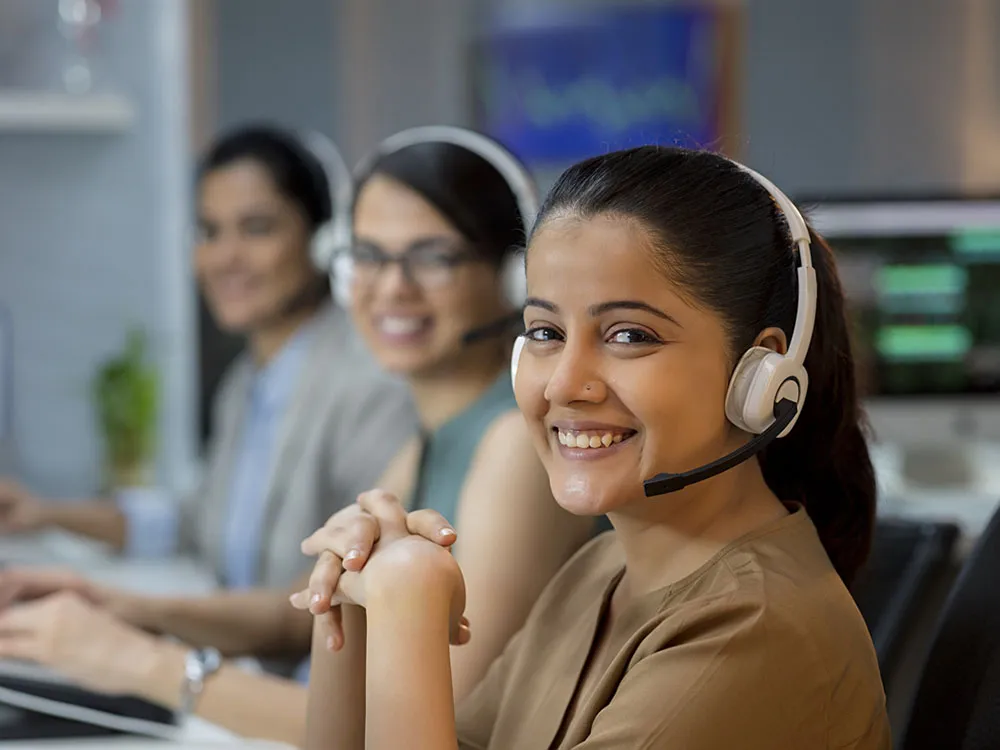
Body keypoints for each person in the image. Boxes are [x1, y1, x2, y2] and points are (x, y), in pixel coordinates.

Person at [0, 127, 591, 745]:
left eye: (433, 257)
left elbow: (447, 716)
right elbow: (310, 607)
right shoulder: (434, 436)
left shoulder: (512, 447)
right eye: (368, 256)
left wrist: (136, 662)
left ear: (513, 277)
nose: (392, 288)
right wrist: (118, 606)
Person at [293, 146, 891, 749]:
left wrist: (409, 615)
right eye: (545, 333)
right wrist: (350, 610)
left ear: (760, 374)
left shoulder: (756, 629)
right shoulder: (597, 573)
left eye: (629, 335)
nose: (562, 383)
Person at [0, 124, 416, 671]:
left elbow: (323, 605)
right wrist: (45, 513)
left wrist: (121, 615)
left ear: (323, 241)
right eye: (208, 232)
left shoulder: (369, 384)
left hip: (306, 704)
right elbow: (194, 522)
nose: (225, 257)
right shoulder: (248, 380)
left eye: (256, 228)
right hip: (238, 674)